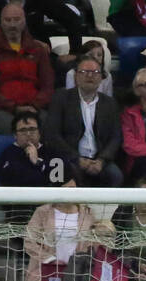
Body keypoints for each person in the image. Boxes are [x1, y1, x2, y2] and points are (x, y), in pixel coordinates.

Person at [44, 53, 124, 187]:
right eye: (84, 72)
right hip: (69, 158)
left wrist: (102, 160)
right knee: (65, 173)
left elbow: (116, 137)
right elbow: (52, 135)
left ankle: (104, 209)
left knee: (116, 175)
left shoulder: (109, 104)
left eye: (95, 72)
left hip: (99, 160)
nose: (90, 76)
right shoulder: (61, 98)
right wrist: (77, 158)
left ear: (101, 78)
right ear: (76, 76)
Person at [0, 4, 54, 134]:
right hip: (0, 111)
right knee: (19, 130)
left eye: (17, 19)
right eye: (8, 20)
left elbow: (48, 86)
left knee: (49, 126)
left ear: (24, 20)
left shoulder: (38, 50)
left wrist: (34, 106)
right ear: (0, 22)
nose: (12, 25)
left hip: (34, 109)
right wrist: (13, 107)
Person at [0, 110, 72, 187]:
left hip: (49, 197)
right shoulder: (8, 154)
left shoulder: (52, 152)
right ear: (15, 135)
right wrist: (41, 169)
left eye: (32, 129)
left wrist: (37, 162)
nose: (28, 134)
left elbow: (61, 180)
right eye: (23, 130)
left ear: (39, 133)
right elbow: (11, 180)